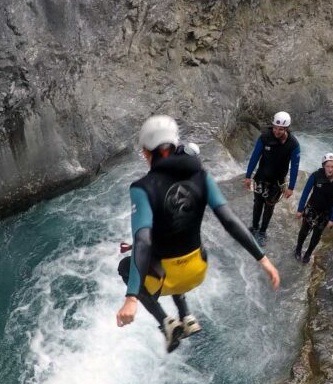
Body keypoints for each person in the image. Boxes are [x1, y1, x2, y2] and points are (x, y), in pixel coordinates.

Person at [116, 115, 281, 352]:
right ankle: (187, 316)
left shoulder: (142, 187)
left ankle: (166, 323)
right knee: (179, 246)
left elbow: (142, 240)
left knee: (126, 265)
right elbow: (230, 221)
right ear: (175, 146)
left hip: (165, 277)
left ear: (146, 152)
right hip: (197, 270)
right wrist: (263, 259)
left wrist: (131, 298)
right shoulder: (202, 176)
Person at [244, 111, 301, 243]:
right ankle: (254, 227)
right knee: (258, 203)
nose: (276, 131)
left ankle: (263, 232)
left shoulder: (293, 145)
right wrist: (248, 176)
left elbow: (295, 167)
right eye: (275, 128)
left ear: (286, 129)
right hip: (261, 177)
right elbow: (255, 157)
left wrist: (291, 187)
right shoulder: (265, 137)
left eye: (280, 129)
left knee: (269, 206)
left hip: (277, 182)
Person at [294, 153, 333, 264]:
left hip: (326, 212)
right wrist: (300, 209)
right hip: (312, 208)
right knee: (304, 230)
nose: (330, 169)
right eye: (328, 166)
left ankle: (308, 253)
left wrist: (332, 219)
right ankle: (298, 249)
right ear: (323, 166)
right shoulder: (316, 176)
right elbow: (305, 193)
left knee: (317, 235)